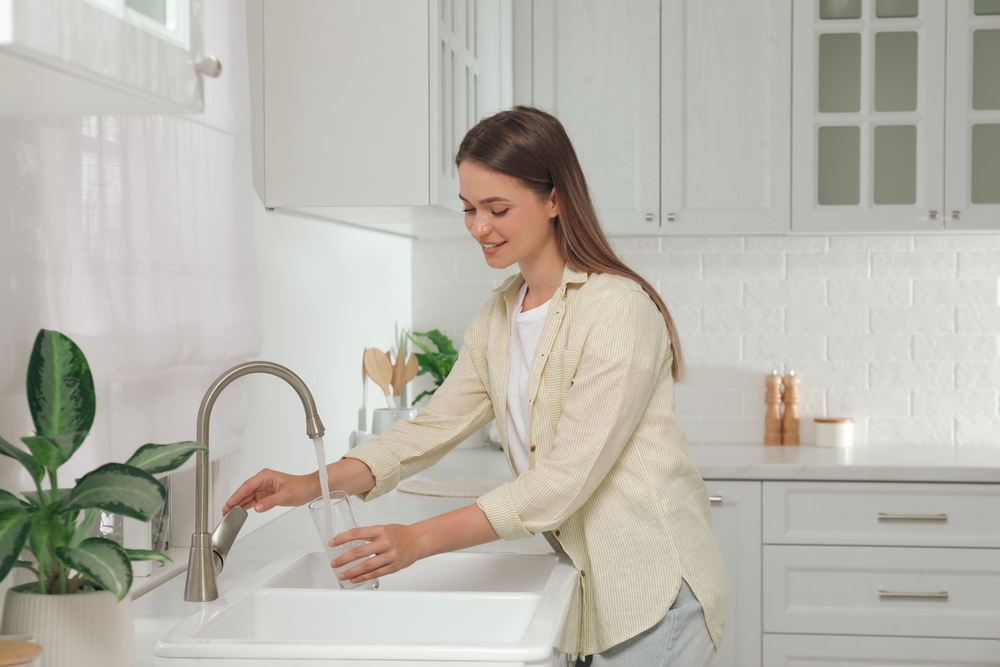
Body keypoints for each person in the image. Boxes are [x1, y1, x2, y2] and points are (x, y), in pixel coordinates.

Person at [223, 106, 728, 666]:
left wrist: (416, 540)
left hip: (653, 589)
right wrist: (308, 484)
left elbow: (562, 481)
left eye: (498, 208)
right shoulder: (501, 314)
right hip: (590, 589)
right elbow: (431, 429)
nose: (478, 227)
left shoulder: (616, 310)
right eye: (469, 208)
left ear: (555, 199)